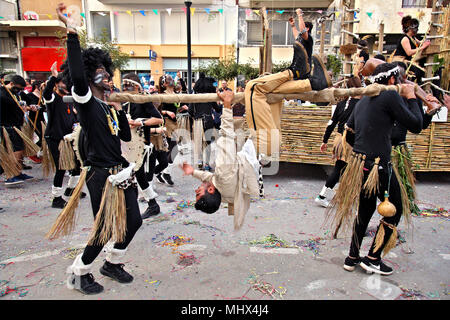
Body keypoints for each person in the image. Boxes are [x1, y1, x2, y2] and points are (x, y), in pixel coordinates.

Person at [54, 2, 142, 295]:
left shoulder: (108, 107)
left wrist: (119, 108)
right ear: (92, 77)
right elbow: (77, 77)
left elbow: (127, 137)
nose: (108, 77)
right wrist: (72, 32)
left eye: (108, 73)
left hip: (122, 172)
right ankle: (78, 274)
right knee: (103, 230)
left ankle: (112, 264)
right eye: (102, 73)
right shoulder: (87, 104)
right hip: (100, 175)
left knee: (134, 222)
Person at [329, 63, 423, 275]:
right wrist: (411, 96)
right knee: (394, 210)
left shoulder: (363, 101)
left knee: (365, 210)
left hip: (360, 165)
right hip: (379, 166)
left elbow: (350, 134)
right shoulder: (390, 97)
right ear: (391, 80)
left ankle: (352, 256)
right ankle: (373, 258)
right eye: (398, 79)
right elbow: (416, 125)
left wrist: (372, 139)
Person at [181, 89, 260, 230]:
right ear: (210, 190)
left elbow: (210, 178)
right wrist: (227, 104)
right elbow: (227, 136)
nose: (196, 191)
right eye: (198, 193)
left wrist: (193, 172)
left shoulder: (222, 194)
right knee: (255, 89)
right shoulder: (223, 173)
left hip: (256, 152)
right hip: (260, 142)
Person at [244, 41, 331, 160]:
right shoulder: (265, 92)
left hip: (266, 140)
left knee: (260, 88)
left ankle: (310, 80)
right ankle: (297, 74)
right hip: (266, 141)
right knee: (253, 87)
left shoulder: (269, 93)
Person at [122, 72, 164, 219]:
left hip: (141, 145)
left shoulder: (143, 100)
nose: (125, 88)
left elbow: (158, 119)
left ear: (137, 87)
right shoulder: (123, 102)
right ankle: (149, 205)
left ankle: (152, 205)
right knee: (134, 176)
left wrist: (139, 122)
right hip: (126, 146)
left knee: (139, 176)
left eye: (128, 86)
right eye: (124, 86)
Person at [315, 76, 362, 207]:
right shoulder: (360, 105)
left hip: (339, 139)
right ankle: (322, 195)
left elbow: (331, 123)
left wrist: (324, 141)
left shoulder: (342, 104)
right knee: (340, 168)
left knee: (344, 169)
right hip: (349, 142)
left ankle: (344, 195)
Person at [43, 61, 82, 209]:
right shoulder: (52, 98)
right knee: (61, 168)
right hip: (55, 138)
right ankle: (56, 198)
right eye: (63, 83)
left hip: (68, 138)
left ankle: (71, 189)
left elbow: (73, 117)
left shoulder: (69, 99)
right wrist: (53, 77)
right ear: (57, 84)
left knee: (76, 165)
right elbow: (46, 93)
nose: (66, 86)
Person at [0, 74, 36, 185]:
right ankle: (11, 174)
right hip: (7, 126)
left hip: (16, 125)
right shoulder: (2, 93)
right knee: (14, 150)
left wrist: (29, 107)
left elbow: (22, 103)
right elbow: (11, 104)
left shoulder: (15, 94)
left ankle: (18, 172)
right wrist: (20, 105)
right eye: (18, 88)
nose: (20, 90)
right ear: (11, 84)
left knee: (19, 150)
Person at [189, 73, 221, 170]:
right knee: (207, 143)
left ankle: (199, 161)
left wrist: (195, 116)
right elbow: (218, 109)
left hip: (198, 120)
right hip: (208, 120)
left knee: (198, 142)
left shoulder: (194, 97)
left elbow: (190, 111)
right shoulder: (210, 97)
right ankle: (207, 164)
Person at [393, 15, 430, 84]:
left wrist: (428, 35)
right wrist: (422, 47)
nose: (417, 30)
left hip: (407, 61)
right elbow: (409, 52)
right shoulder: (405, 38)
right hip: (401, 61)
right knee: (418, 72)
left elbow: (421, 43)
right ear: (411, 29)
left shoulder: (413, 38)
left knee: (421, 71)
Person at [22, 80, 45, 163]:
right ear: (36, 86)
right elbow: (25, 106)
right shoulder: (29, 96)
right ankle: (32, 153)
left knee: (43, 137)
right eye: (41, 86)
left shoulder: (42, 96)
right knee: (37, 136)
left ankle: (39, 153)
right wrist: (31, 107)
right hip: (34, 119)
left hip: (42, 118)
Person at [289, 8, 314, 75]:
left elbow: (302, 30)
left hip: (304, 69)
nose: (300, 27)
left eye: (303, 26)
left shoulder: (308, 38)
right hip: (296, 66)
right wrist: (293, 26)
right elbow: (296, 34)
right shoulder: (300, 37)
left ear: (307, 29)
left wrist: (300, 15)